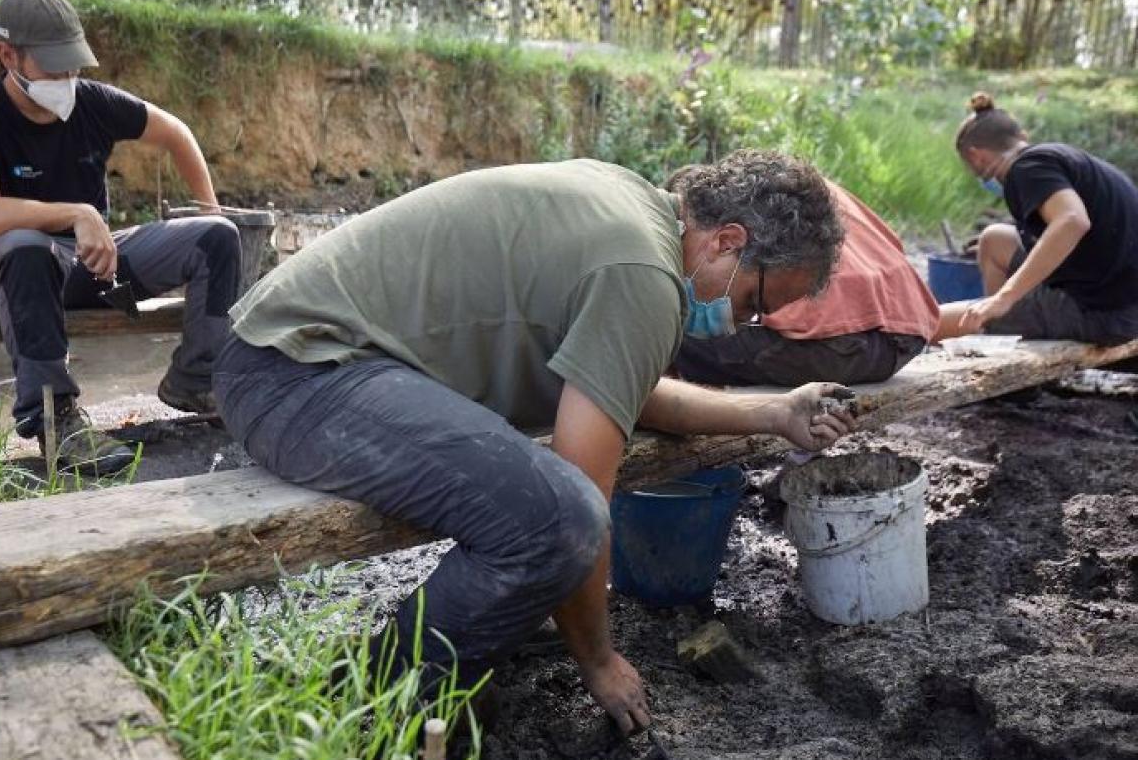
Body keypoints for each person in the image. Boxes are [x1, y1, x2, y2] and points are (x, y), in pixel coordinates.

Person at [213, 151, 856, 734]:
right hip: (298, 374)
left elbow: (622, 388)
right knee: (557, 522)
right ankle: (362, 709)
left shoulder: (632, 210)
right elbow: (581, 500)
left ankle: (438, 680)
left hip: (301, 358)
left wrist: (772, 414)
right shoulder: (642, 272)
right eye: (753, 300)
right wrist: (598, 659)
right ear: (729, 241)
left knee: (548, 520)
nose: (743, 322)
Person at [0, 0, 242, 474]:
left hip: (98, 263)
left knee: (217, 235)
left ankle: (196, 377)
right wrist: (75, 212)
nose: (67, 82)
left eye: (73, 69)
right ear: (7, 55)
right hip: (25, 272)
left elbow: (176, 134)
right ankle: (56, 420)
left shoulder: (94, 103)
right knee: (25, 247)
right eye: (54, 70)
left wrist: (209, 206)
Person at [671, 168, 939, 387]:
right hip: (907, 338)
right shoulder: (796, 189)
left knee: (666, 339)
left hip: (835, 345)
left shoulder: (759, 213)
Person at [935, 92, 1138, 345]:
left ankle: (994, 324)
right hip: (1119, 295)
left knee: (932, 323)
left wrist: (1004, 298)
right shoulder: (1057, 157)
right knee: (994, 239)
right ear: (1020, 137)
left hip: (1104, 314)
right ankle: (1002, 330)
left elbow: (1073, 220)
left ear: (977, 156)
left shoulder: (1026, 169)